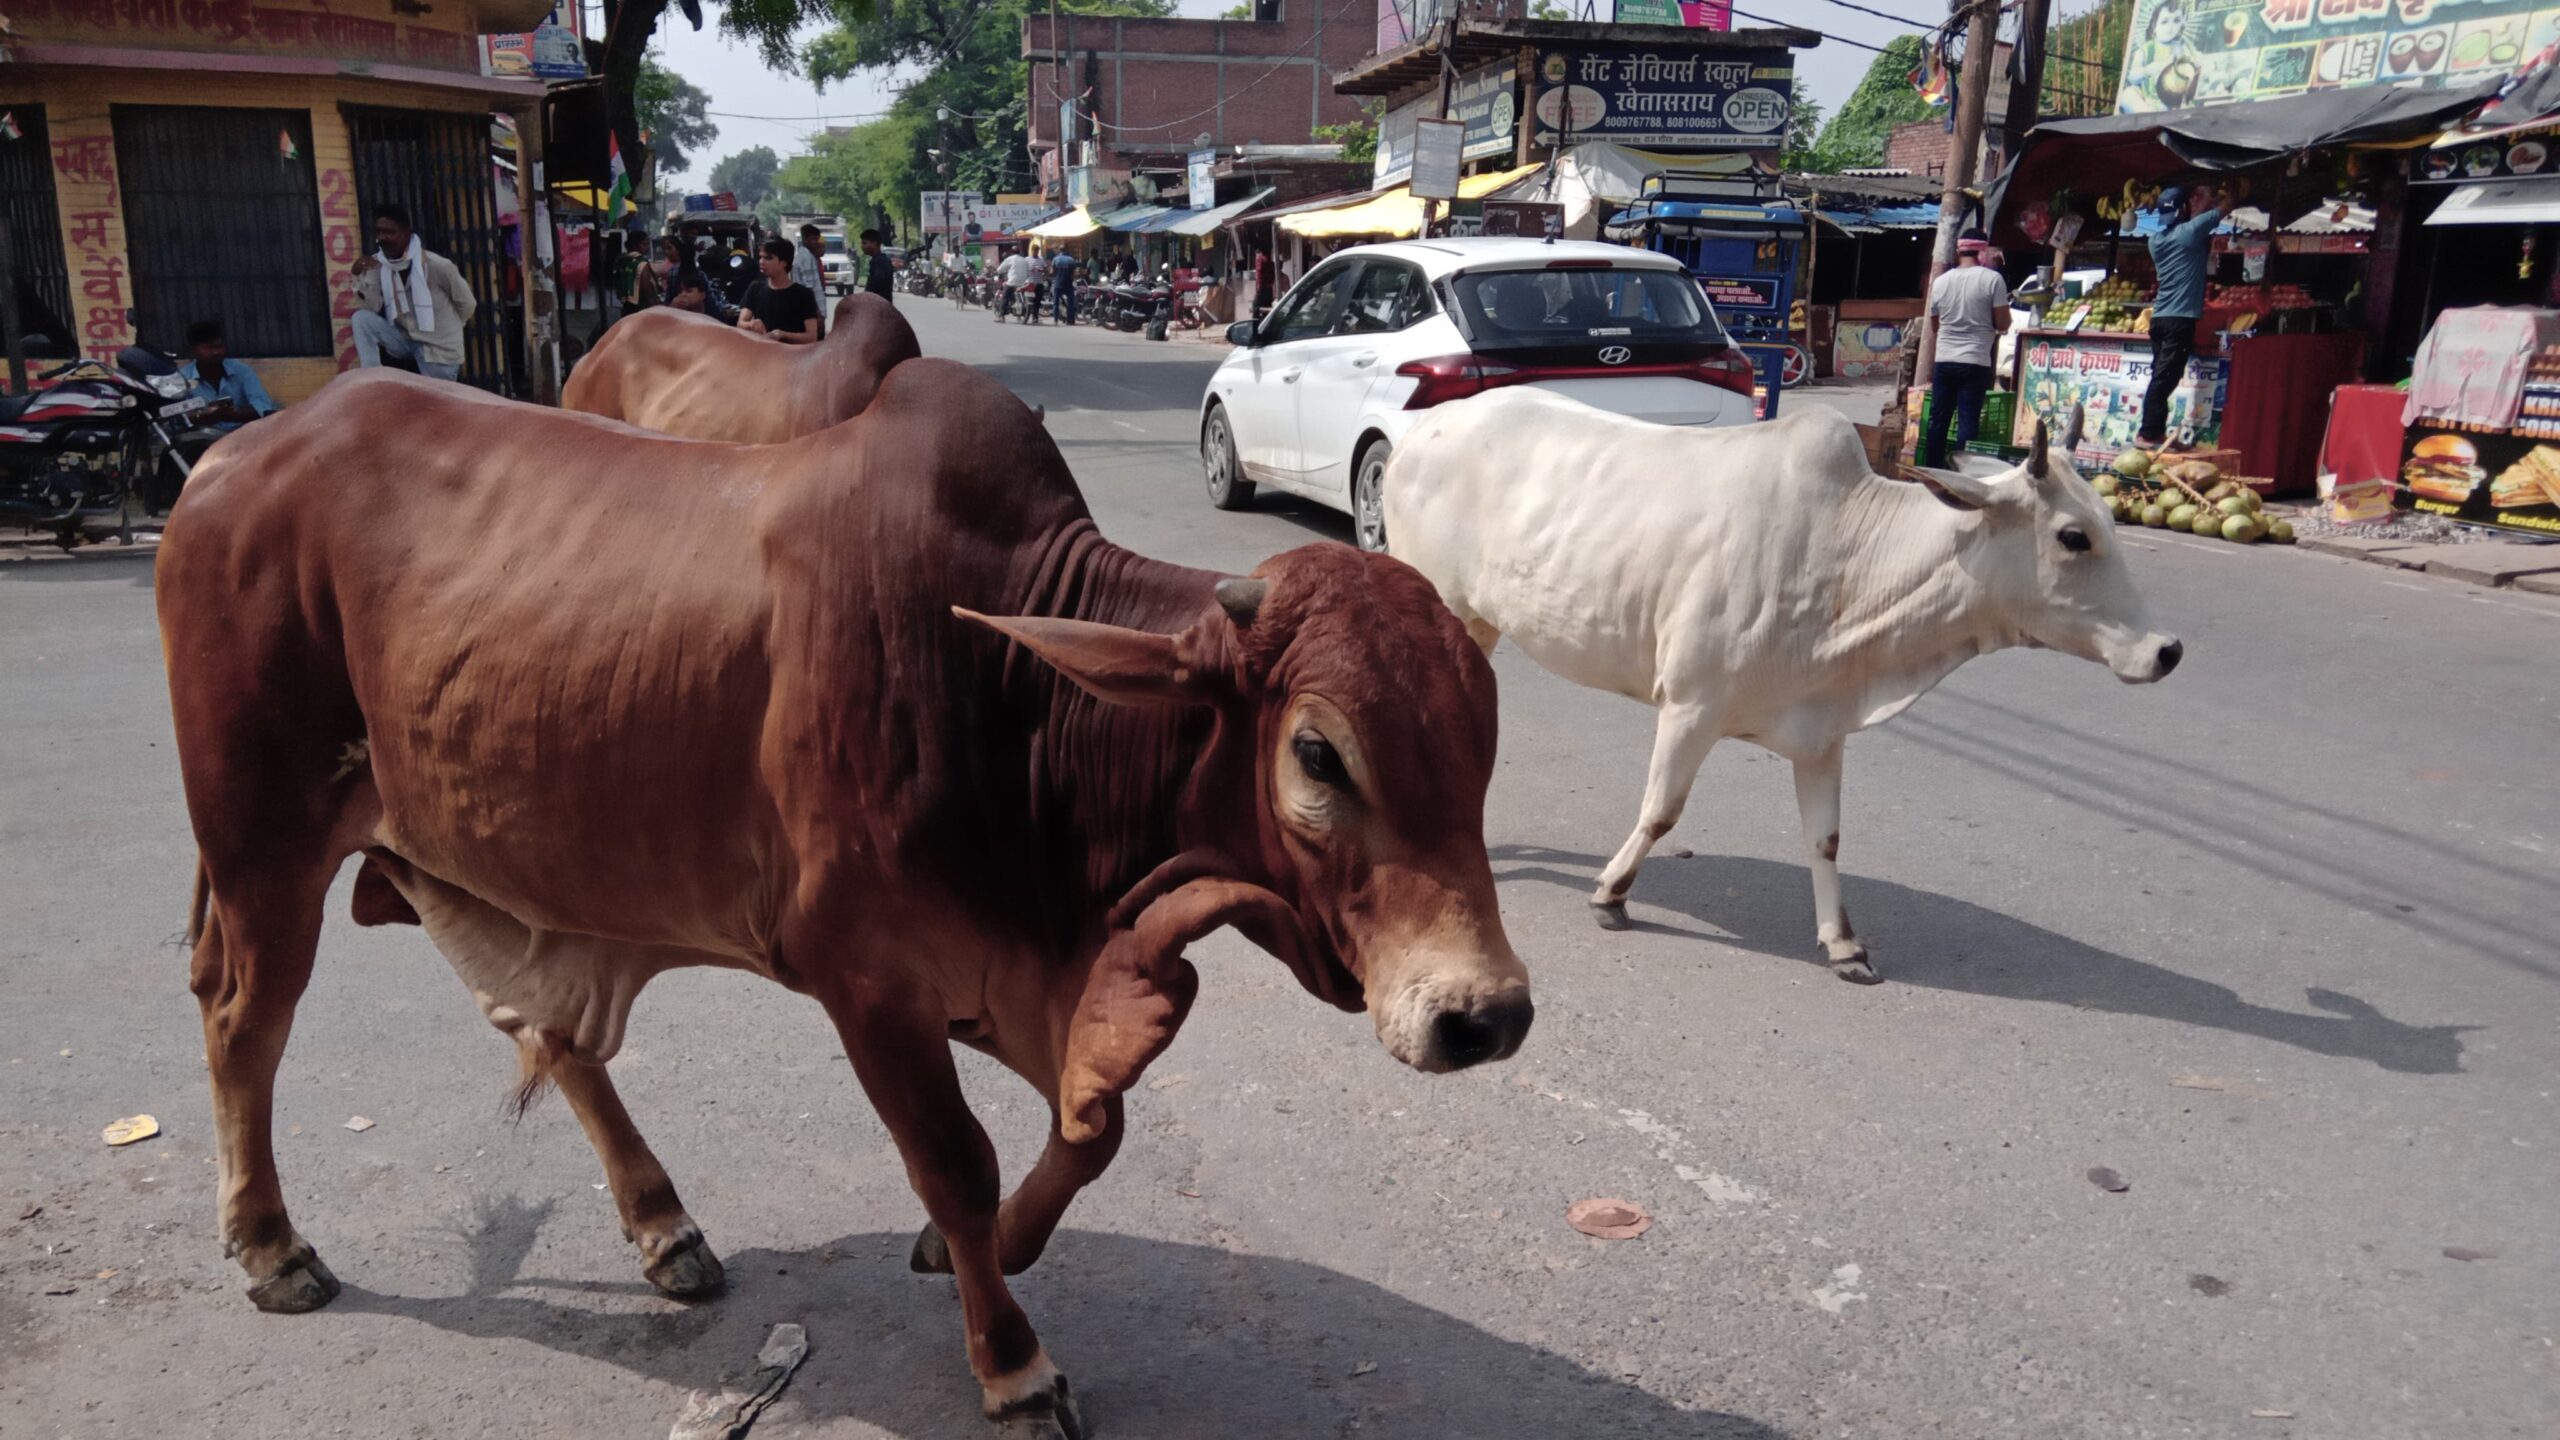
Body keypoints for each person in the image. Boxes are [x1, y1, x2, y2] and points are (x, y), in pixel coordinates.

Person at [2138, 182, 2230, 452]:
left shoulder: (2155, 241)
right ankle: (2147, 433)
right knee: (2165, 378)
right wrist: (2214, 197)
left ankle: (2156, 432)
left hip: (2160, 318)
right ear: (2184, 209)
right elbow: (2226, 207)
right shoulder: (2189, 233)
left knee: (2161, 375)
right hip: (2179, 320)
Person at [351, 202, 476, 381]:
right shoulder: (379, 265)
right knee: (361, 318)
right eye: (379, 232)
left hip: (438, 349)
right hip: (406, 339)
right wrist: (361, 274)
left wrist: (450, 329)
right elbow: (371, 307)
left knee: (434, 405)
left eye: (390, 232)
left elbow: (467, 304)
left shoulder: (437, 266)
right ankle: (372, 379)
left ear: (406, 234)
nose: (383, 238)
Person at [1921, 233, 2012, 468]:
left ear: (1959, 251)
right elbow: (2003, 323)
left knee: (1937, 421)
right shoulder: (1993, 280)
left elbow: (1934, 324)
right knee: (1968, 421)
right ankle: (1962, 474)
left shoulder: (1940, 282)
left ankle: (1931, 470)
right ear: (1983, 251)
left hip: (1944, 360)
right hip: (1975, 360)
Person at [737, 237, 821, 344]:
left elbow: (811, 337)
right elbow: (740, 323)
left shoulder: (803, 295)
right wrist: (751, 324)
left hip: (793, 356)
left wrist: (782, 335)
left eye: (768, 258)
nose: (761, 262)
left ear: (784, 262)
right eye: (761, 257)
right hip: (763, 354)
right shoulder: (755, 288)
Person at [793, 223, 828, 305]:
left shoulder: (810, 257)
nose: (816, 243)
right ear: (805, 239)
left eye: (817, 239)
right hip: (809, 307)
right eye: (813, 239)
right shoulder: (806, 258)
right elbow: (809, 288)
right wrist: (816, 310)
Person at [859, 228, 896, 301]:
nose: (862, 246)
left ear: (874, 243)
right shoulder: (880, 260)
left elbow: (877, 284)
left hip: (879, 306)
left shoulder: (880, 261)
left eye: (865, 243)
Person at [1050, 246, 1079, 323]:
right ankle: (1071, 320)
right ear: (1067, 250)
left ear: (1059, 251)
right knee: (1070, 303)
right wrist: (1071, 279)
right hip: (1068, 284)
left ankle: (1055, 320)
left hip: (1058, 283)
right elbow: (1074, 274)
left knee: (1056, 303)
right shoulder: (1071, 260)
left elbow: (1052, 272)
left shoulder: (1055, 259)